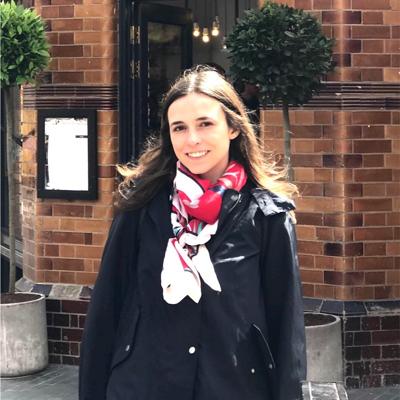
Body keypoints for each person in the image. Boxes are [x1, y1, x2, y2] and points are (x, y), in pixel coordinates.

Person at [79, 66, 306, 400]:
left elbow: (286, 325)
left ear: (233, 127)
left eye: (205, 124)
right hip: (143, 385)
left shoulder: (267, 215)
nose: (192, 140)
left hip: (232, 387)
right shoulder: (141, 205)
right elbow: (107, 307)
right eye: (179, 128)